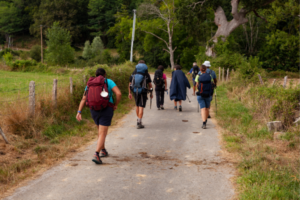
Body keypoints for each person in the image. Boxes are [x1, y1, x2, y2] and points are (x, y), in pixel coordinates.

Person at [76, 68, 122, 164]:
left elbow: (84, 99)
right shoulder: (108, 81)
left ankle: (103, 150)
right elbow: (118, 93)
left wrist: (79, 111)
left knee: (100, 131)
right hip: (106, 109)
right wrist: (116, 104)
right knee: (102, 133)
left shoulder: (90, 83)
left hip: (93, 110)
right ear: (105, 74)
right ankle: (96, 154)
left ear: (96, 75)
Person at [128, 60, 153, 129]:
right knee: (141, 106)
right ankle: (139, 122)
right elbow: (150, 85)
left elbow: (130, 83)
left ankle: (138, 120)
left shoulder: (134, 72)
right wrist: (151, 93)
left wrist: (129, 92)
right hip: (143, 92)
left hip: (134, 91)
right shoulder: (146, 73)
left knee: (137, 105)